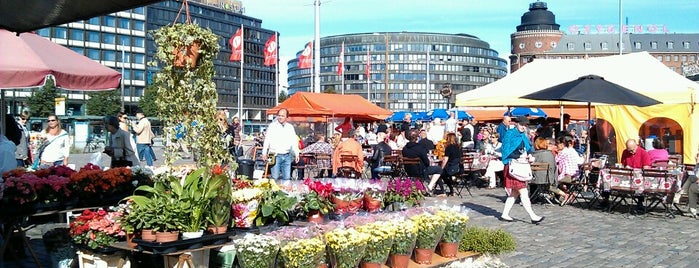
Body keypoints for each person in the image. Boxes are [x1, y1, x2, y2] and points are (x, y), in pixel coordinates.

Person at [499, 116, 544, 224]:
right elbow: (505, 150)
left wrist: (529, 156)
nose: (524, 127)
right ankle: (533, 216)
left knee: (514, 193)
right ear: (516, 124)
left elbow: (528, 148)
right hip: (513, 166)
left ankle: (505, 214)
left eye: (525, 125)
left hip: (520, 166)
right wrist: (517, 157)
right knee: (523, 192)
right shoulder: (509, 134)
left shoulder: (523, 135)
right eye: (522, 125)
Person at [262, 108, 300, 180]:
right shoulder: (272, 126)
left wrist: (297, 154)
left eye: (282, 116)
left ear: (286, 117)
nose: (280, 117)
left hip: (287, 155)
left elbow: (294, 141)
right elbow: (267, 140)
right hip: (274, 155)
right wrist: (264, 153)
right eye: (279, 115)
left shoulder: (290, 127)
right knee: (275, 177)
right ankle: (274, 191)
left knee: (287, 177)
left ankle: (284, 191)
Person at [531, 137, 569, 204]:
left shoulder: (533, 155)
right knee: (548, 185)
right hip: (548, 178)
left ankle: (530, 197)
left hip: (534, 179)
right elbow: (554, 168)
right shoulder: (550, 154)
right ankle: (563, 195)